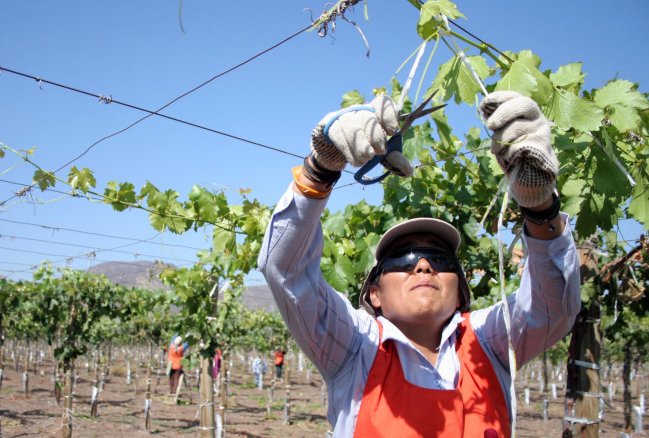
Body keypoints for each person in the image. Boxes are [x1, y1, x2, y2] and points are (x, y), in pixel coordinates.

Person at [258, 91, 581, 436]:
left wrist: (539, 205)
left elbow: (551, 310)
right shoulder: (355, 345)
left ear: (460, 294)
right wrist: (320, 168)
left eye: (441, 260)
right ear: (375, 295)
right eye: (403, 259)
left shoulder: (490, 340)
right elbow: (286, 271)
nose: (423, 266)